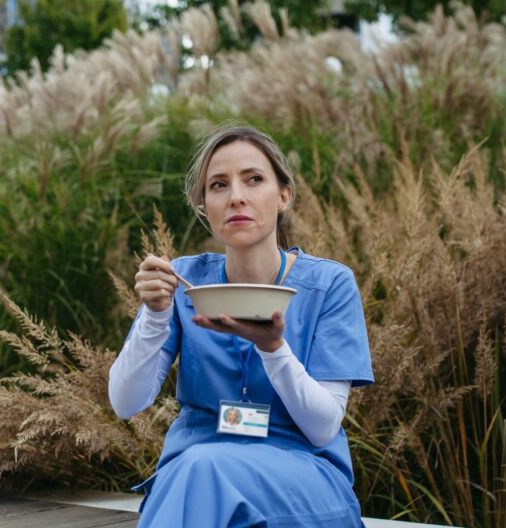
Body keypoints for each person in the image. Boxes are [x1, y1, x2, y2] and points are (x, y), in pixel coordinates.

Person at [108, 124, 374, 527]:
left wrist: (273, 349)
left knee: (200, 468)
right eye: (218, 185)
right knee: (197, 467)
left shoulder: (329, 285)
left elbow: (322, 429)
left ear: (283, 195)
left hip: (301, 478)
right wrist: (156, 314)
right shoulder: (183, 283)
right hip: (192, 479)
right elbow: (126, 402)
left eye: (253, 179)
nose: (236, 197)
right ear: (203, 204)